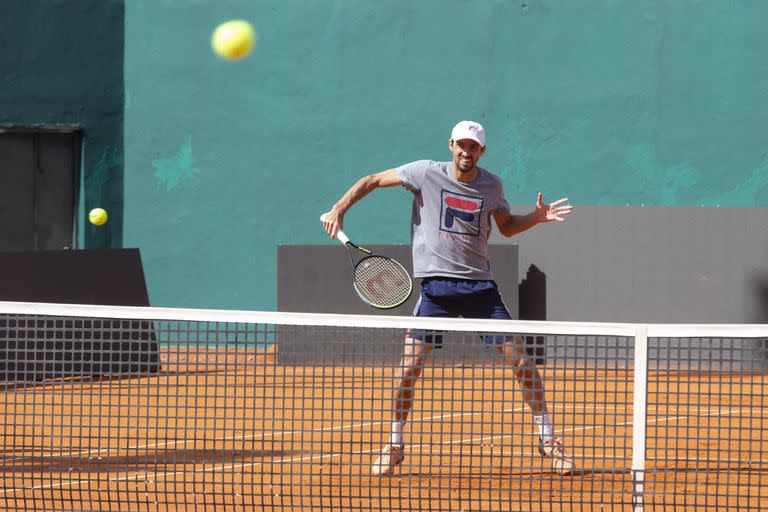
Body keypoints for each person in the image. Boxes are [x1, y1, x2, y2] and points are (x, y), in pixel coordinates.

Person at [321, 120, 574, 476]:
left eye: (473, 147)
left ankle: (548, 440)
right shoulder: (424, 173)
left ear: (481, 151)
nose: (465, 152)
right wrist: (339, 208)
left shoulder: (491, 185)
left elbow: (506, 226)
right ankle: (394, 445)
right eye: (461, 145)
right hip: (435, 291)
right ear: (450, 145)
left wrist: (536, 217)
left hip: (480, 290)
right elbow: (373, 180)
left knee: (521, 363)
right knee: (408, 369)